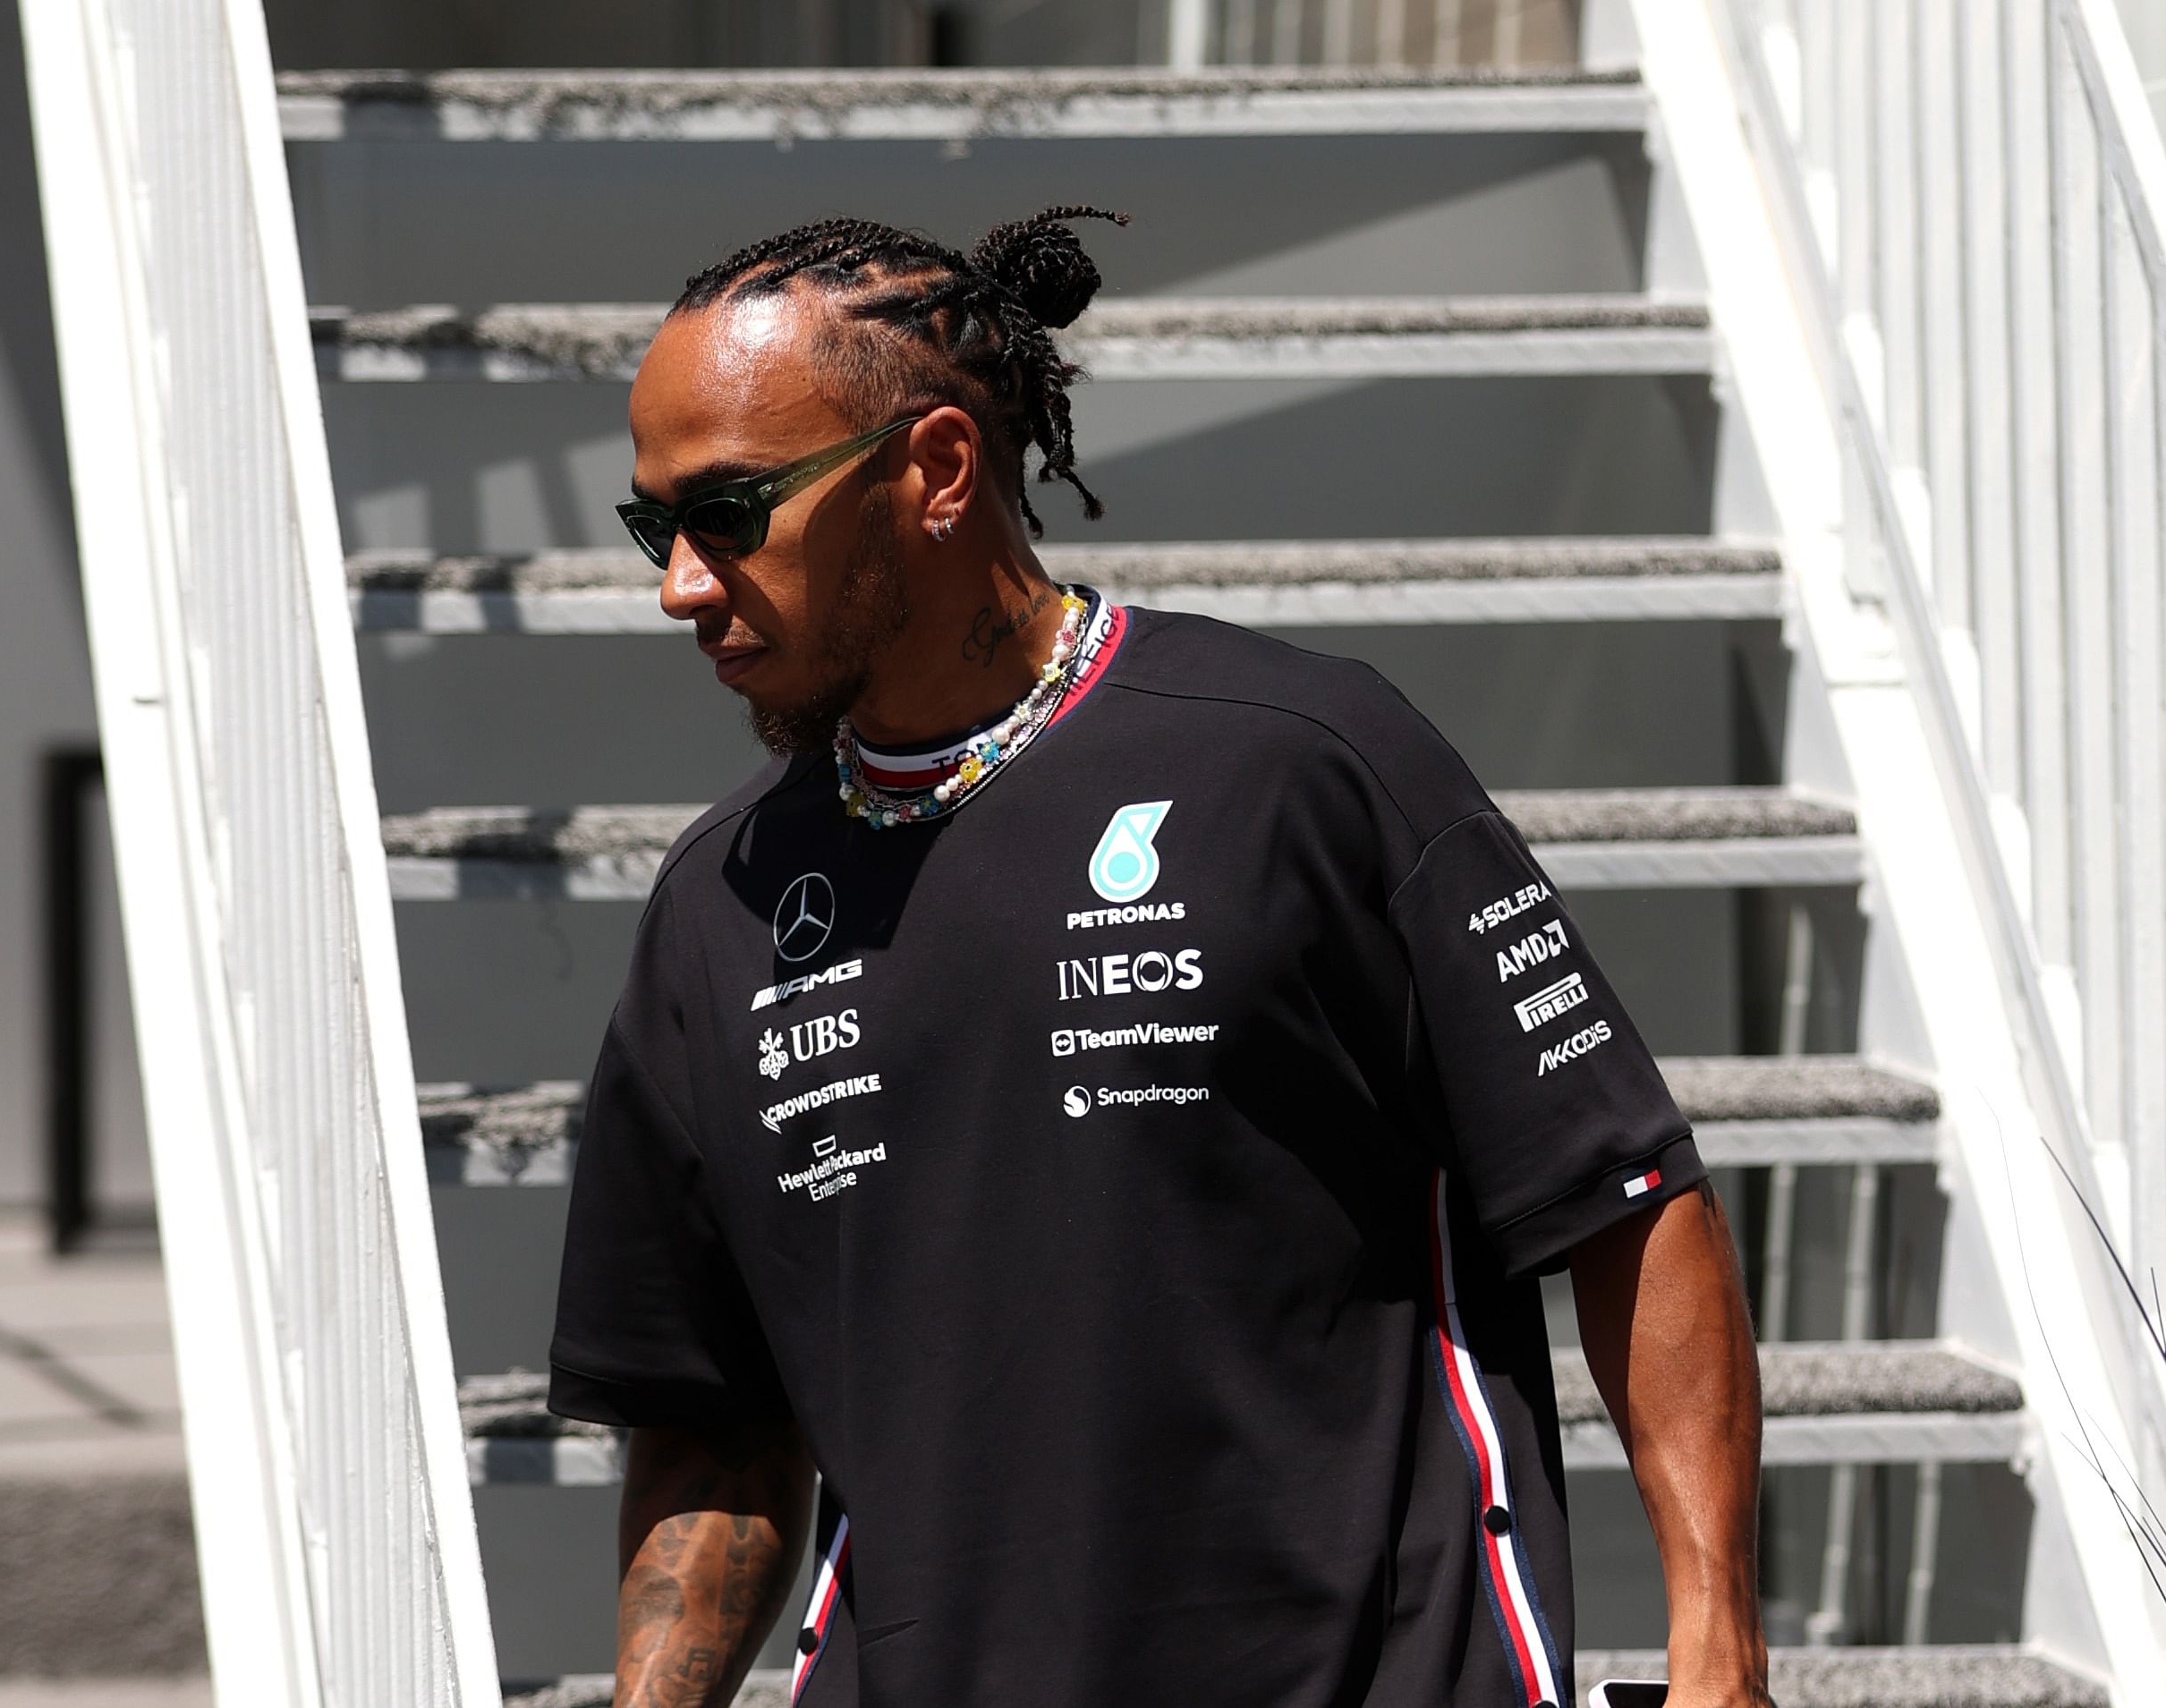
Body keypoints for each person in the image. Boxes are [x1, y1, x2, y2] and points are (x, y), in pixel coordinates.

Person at [548, 206, 1771, 1708]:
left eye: (727, 511)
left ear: (934, 470)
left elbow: (1626, 1200)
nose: (677, 580)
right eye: (649, 524)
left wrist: (1718, 1657)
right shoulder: (719, 905)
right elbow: (707, 1418)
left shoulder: (1303, 760)